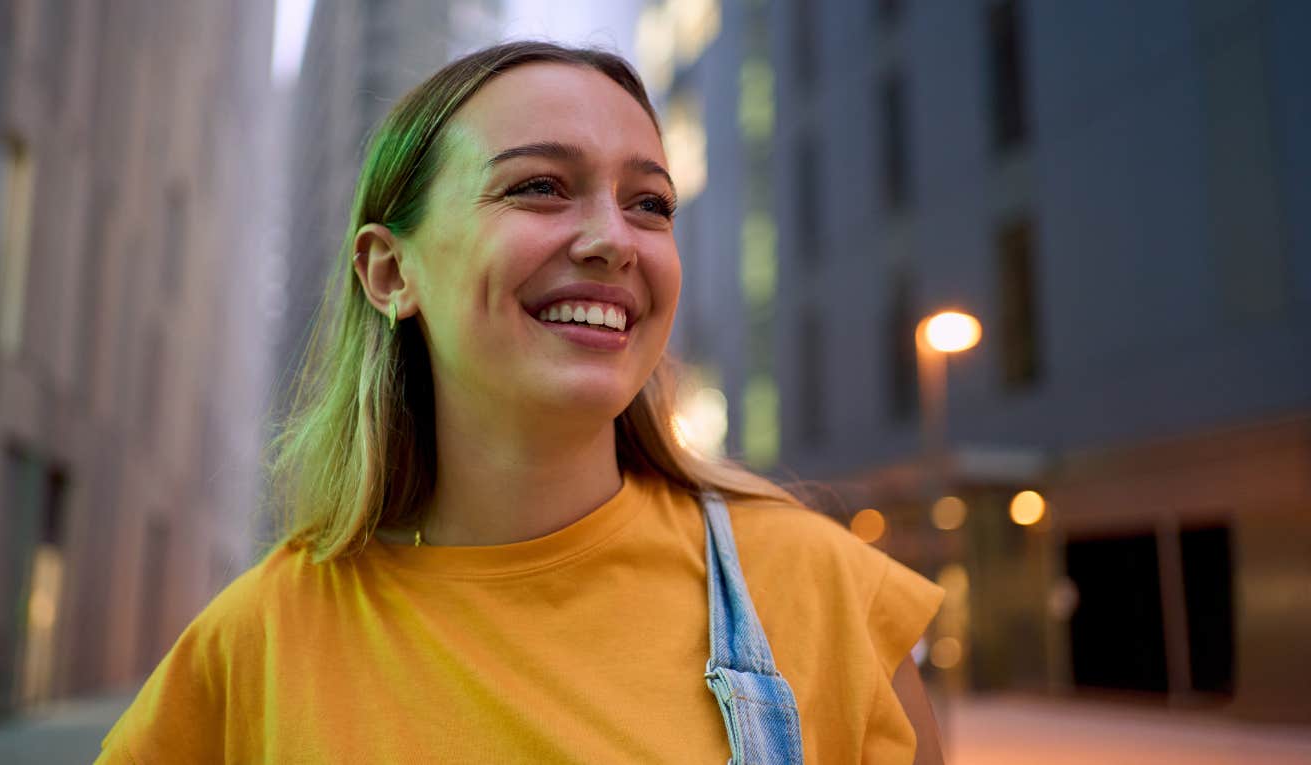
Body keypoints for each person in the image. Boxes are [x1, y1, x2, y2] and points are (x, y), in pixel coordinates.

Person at [98, 41, 944, 764]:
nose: (613, 239)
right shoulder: (258, 642)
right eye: (539, 186)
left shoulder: (820, 589)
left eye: (649, 203)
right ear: (391, 272)